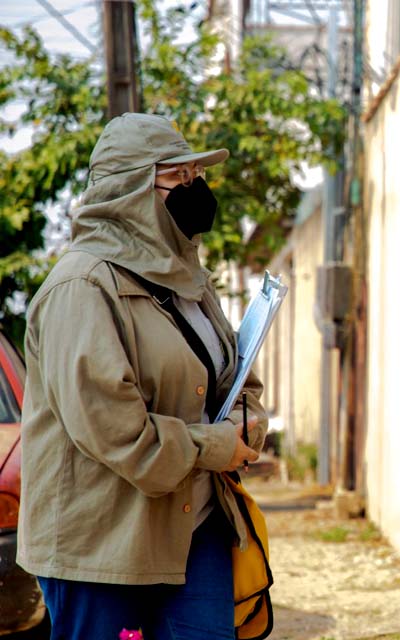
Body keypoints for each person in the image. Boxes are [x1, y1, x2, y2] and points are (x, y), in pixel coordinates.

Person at [16, 113, 268, 640]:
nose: (195, 190)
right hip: (103, 551)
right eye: (178, 179)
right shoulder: (82, 288)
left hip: (195, 526)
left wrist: (247, 423)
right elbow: (117, 431)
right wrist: (215, 447)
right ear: (129, 192)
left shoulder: (190, 282)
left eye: (197, 176)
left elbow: (233, 378)